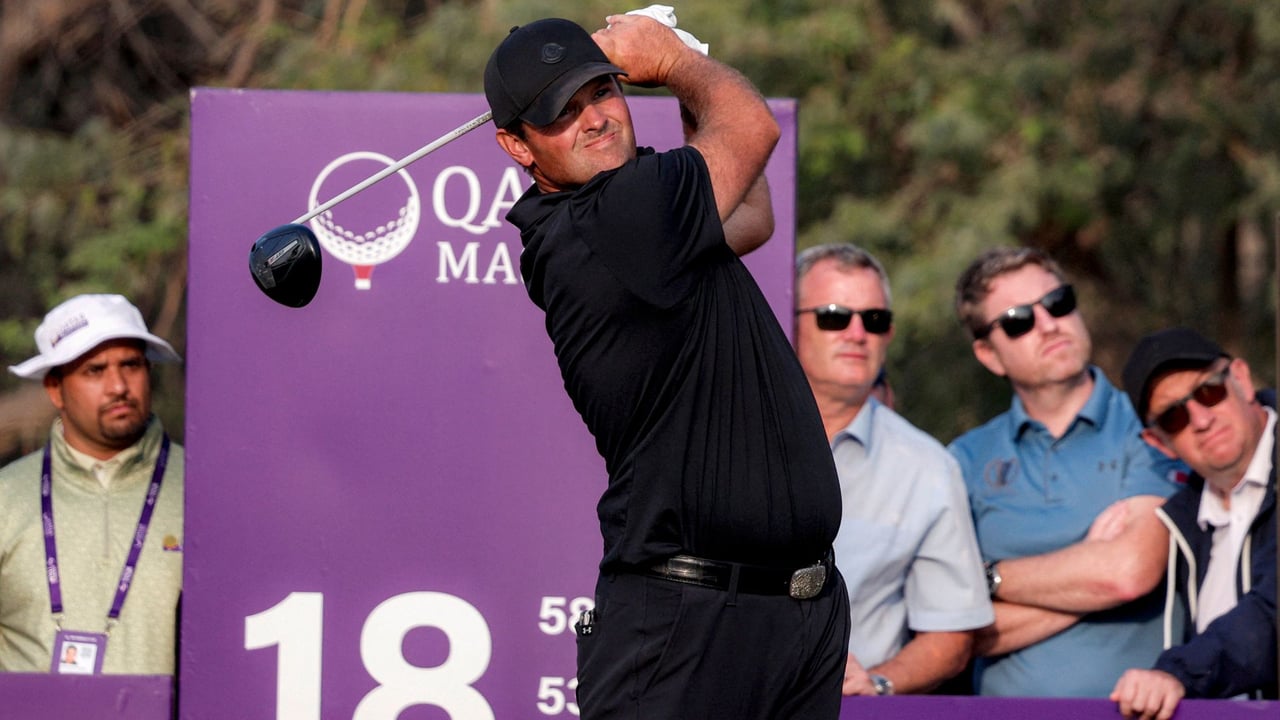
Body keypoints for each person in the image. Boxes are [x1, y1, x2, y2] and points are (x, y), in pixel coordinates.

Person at [484, 15, 849, 719]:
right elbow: (752, 129)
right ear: (516, 145)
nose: (594, 118)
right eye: (563, 113)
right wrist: (676, 60)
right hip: (686, 627)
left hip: (792, 617)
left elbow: (752, 215)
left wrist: (686, 79)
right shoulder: (611, 217)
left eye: (601, 91)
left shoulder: (640, 209)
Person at [947, 247, 1187, 696]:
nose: (1048, 324)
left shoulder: (1154, 428)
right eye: (1019, 320)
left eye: (1058, 302)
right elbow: (954, 634)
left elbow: (1129, 572)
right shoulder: (962, 459)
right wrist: (1089, 569)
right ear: (988, 354)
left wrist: (986, 579)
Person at [794, 243, 993, 696]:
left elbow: (952, 632)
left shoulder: (929, 468)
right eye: (833, 316)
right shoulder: (725, 436)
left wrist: (880, 684)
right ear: (788, 324)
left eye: (875, 320)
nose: (857, 332)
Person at [0, 293, 183, 674]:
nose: (118, 386)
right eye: (94, 370)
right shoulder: (6, 497)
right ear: (55, 389)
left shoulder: (202, 486)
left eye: (131, 365)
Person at [1109, 327, 1277, 719]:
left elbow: (1272, 614)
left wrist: (1180, 673)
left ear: (1242, 378)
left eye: (1209, 391)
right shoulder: (1181, 522)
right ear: (1158, 442)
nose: (1201, 419)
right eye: (1174, 416)